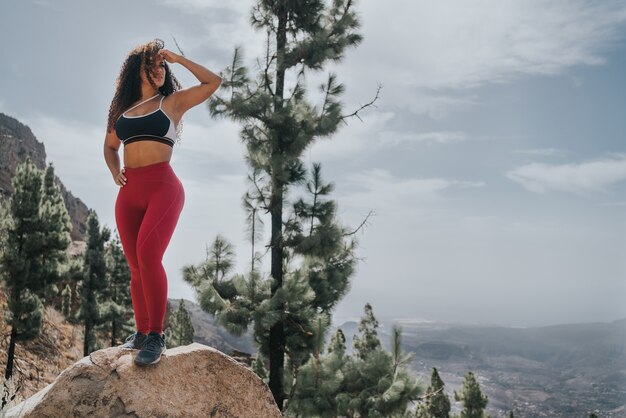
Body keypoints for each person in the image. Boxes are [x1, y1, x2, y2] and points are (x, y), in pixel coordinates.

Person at [103, 39, 221, 366]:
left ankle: (156, 335)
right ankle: (141, 333)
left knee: (148, 255)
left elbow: (213, 82)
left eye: (162, 66)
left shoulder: (172, 103)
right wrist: (115, 172)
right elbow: (110, 146)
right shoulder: (121, 111)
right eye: (152, 64)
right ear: (135, 69)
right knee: (135, 265)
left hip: (163, 189)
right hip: (129, 193)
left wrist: (178, 59)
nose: (158, 70)